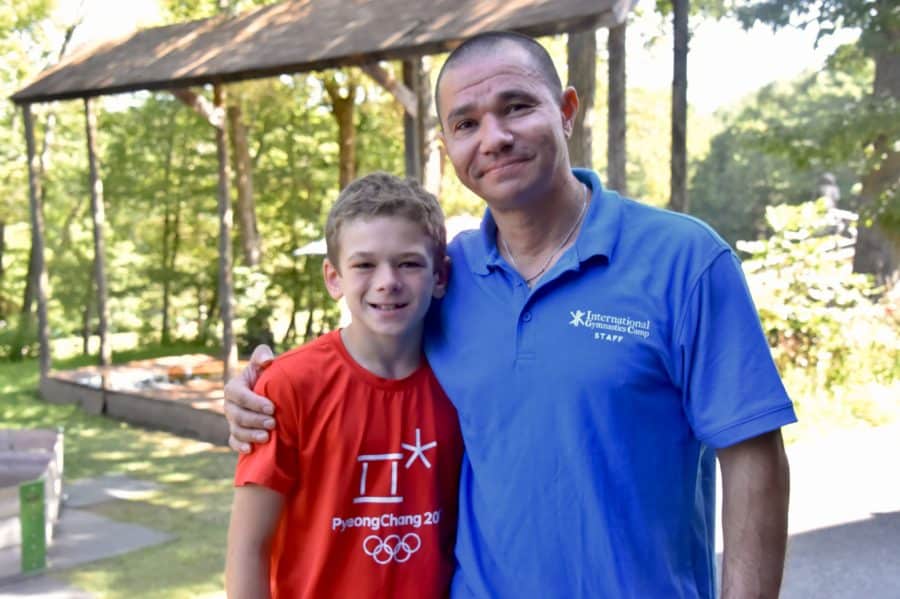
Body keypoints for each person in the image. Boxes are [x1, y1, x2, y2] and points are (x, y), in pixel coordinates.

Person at [225, 31, 795, 598]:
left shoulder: (684, 260)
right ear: (448, 145)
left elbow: (753, 459)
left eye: (516, 107)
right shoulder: (453, 276)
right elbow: (365, 345)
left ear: (567, 111)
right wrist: (261, 387)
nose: (493, 138)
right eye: (466, 123)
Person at [225, 173, 463, 598]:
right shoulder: (288, 386)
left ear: (440, 275)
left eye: (408, 263)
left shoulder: (465, 381)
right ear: (334, 278)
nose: (387, 280)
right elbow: (248, 545)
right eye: (364, 264)